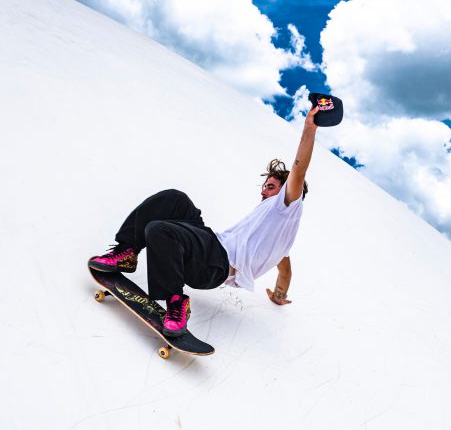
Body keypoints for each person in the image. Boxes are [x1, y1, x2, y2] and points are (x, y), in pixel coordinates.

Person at [89, 106, 321, 336]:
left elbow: (299, 168)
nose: (263, 193)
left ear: (288, 190)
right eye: (264, 188)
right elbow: (285, 272)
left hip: (215, 264)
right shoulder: (280, 240)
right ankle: (127, 252)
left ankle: (176, 303)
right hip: (208, 244)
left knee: (160, 231)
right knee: (175, 198)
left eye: (270, 187)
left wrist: (309, 128)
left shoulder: (287, 205)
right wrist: (279, 297)